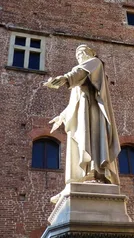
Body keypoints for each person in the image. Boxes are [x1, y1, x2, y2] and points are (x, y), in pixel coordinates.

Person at [43, 45, 120, 185]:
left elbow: (80, 71)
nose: (79, 56)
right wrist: (62, 116)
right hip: (83, 111)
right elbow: (75, 101)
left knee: (92, 139)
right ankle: (85, 176)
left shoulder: (95, 63)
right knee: (83, 140)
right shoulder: (78, 83)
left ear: (90, 53)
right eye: (77, 55)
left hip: (93, 110)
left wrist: (65, 78)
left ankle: (95, 173)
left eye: (82, 53)